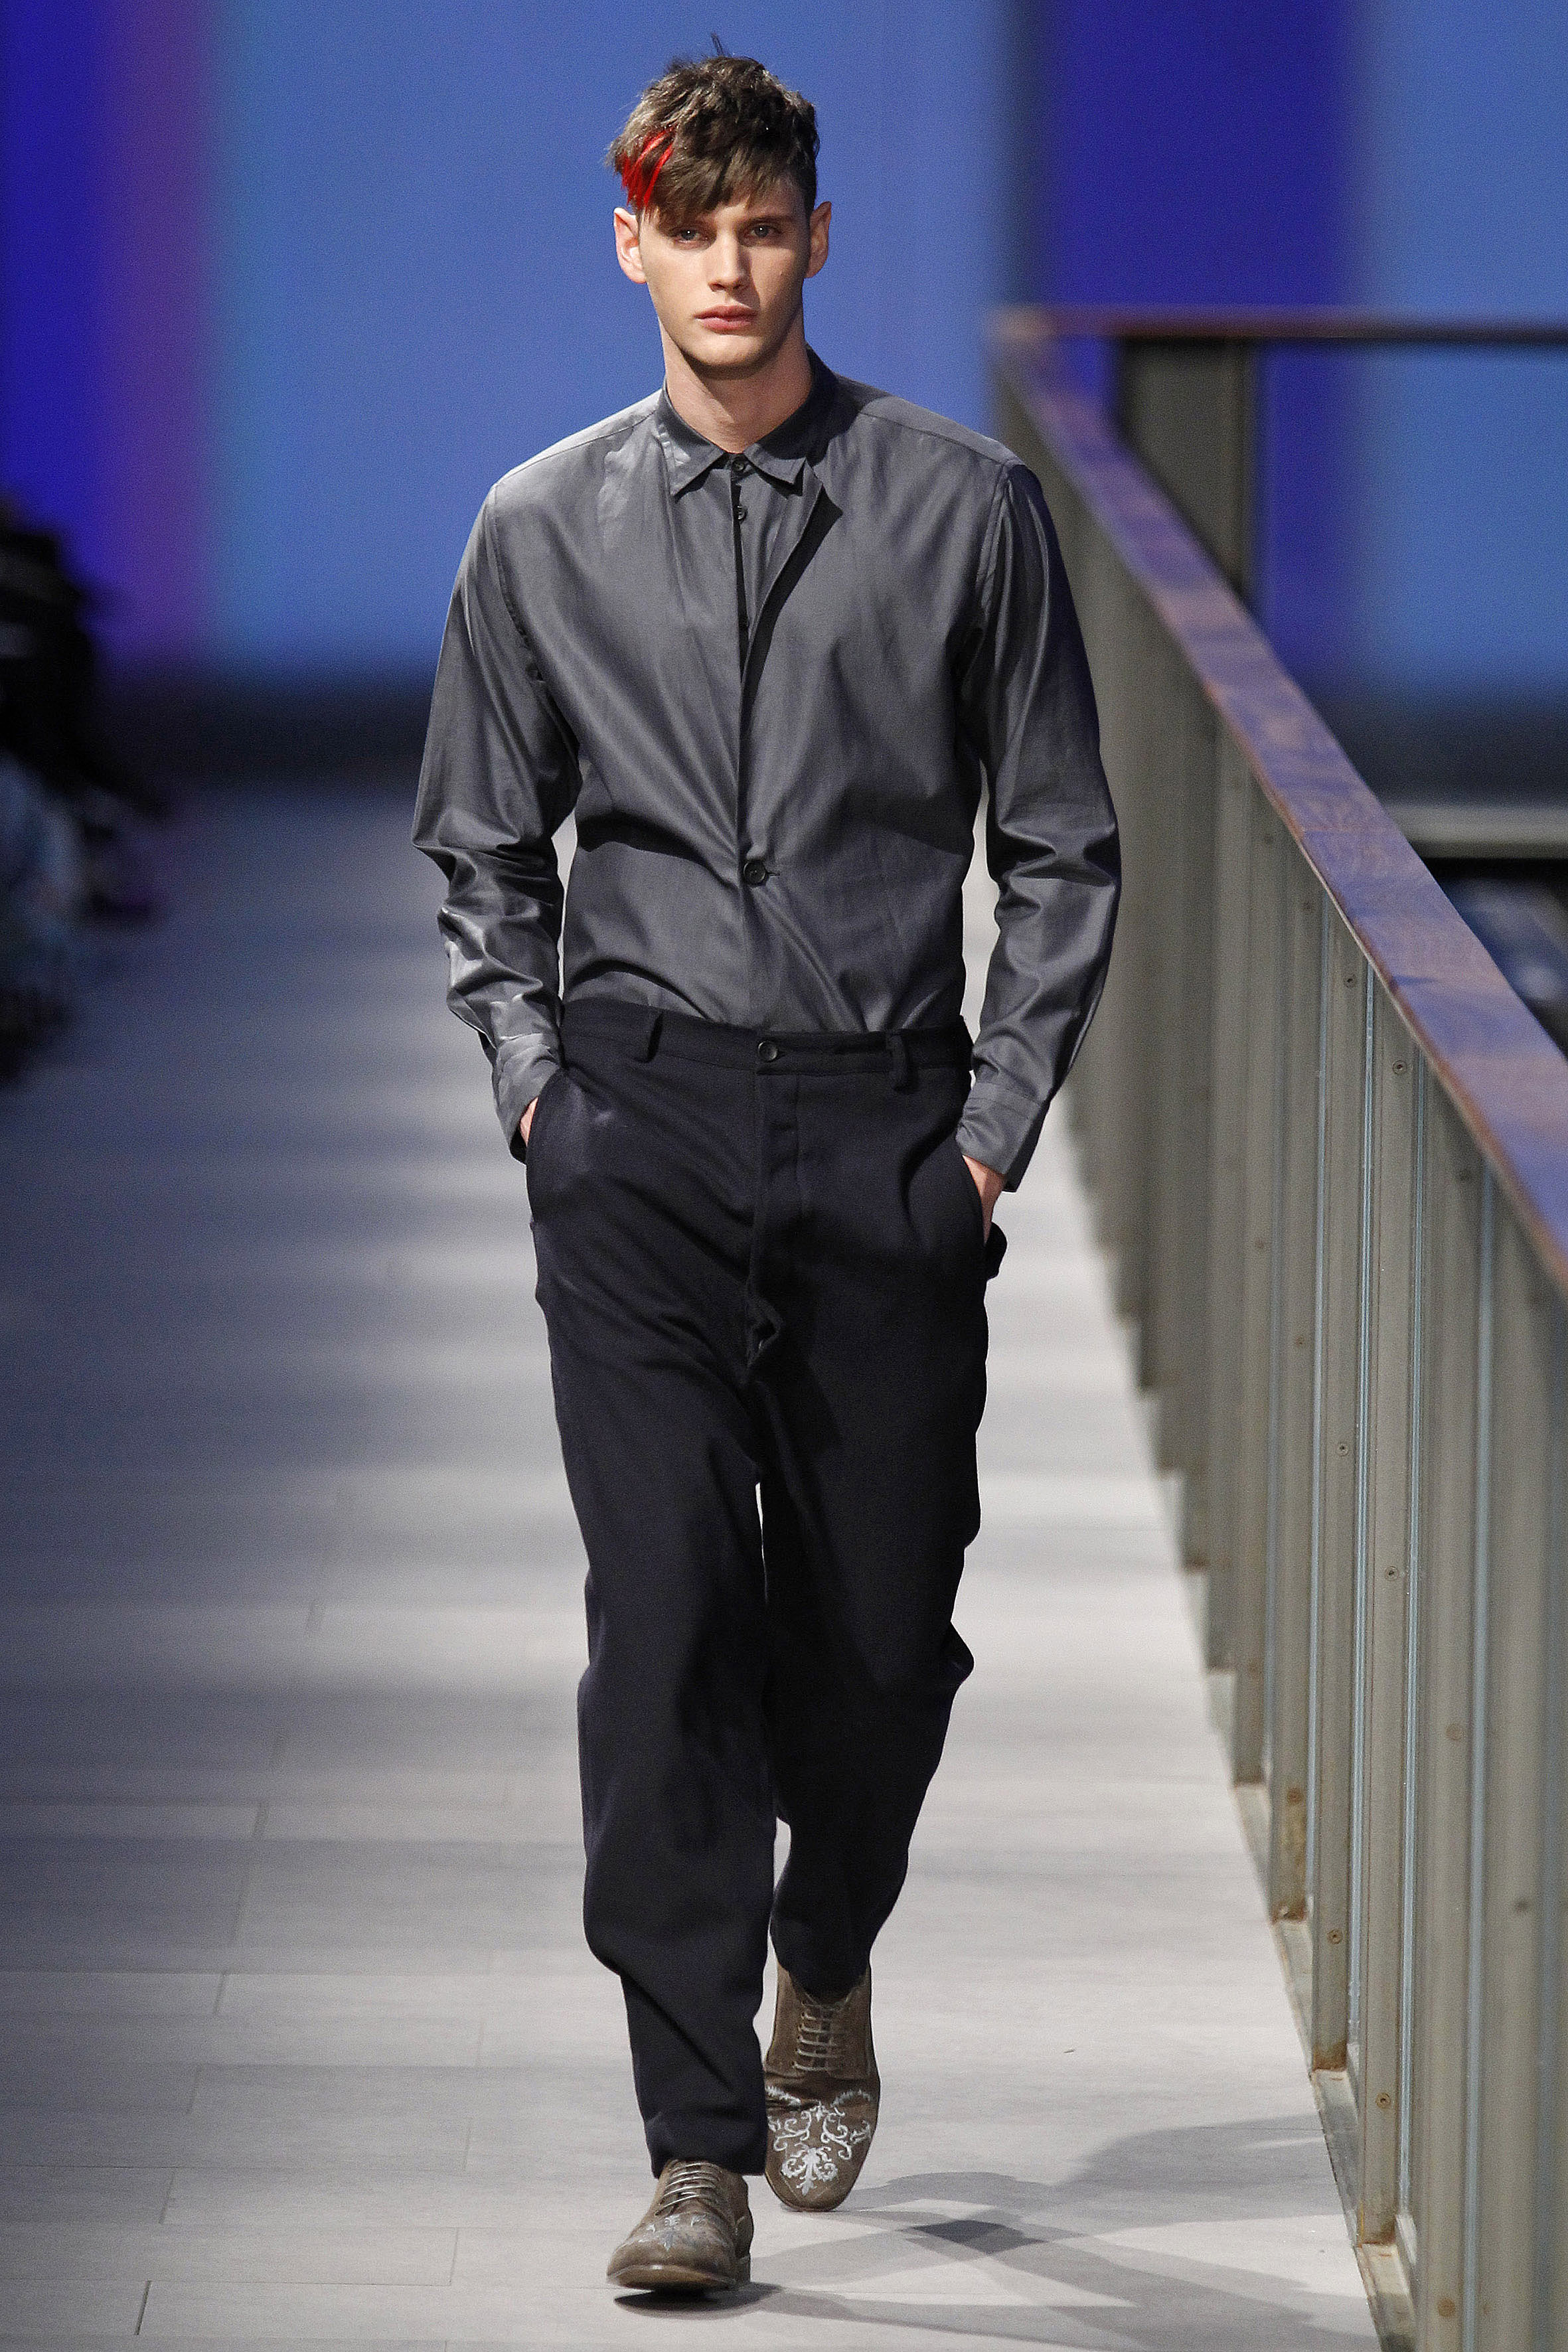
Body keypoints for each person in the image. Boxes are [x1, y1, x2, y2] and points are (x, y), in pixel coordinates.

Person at [413, 47, 1119, 2296]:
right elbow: (480, 846)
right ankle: (695, 2146)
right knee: (666, 1631)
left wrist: (983, 1141)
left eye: (760, 223)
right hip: (635, 1126)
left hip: (882, 1130)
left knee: (883, 1644)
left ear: (815, 235)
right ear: (627, 244)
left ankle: (824, 1948)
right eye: (686, 226)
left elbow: (1064, 848)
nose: (726, 264)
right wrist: (540, 1093)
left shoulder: (963, 510)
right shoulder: (538, 527)